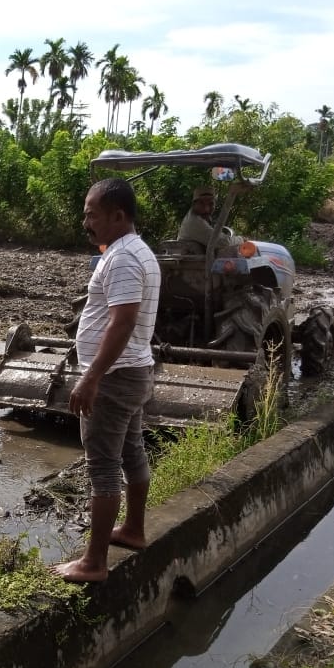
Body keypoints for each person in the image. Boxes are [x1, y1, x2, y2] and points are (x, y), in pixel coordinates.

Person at [53, 177, 161, 583]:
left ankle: (93, 563)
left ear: (117, 216)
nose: (86, 222)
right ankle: (133, 529)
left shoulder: (124, 259)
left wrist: (91, 377)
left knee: (102, 465)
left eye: (91, 214)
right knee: (131, 451)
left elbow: (123, 320)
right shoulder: (134, 252)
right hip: (133, 371)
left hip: (115, 377)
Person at [177, 185, 243, 249]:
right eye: (201, 203)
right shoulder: (195, 223)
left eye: (211, 204)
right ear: (194, 204)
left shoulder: (202, 218)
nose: (206, 209)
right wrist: (241, 239)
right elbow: (223, 242)